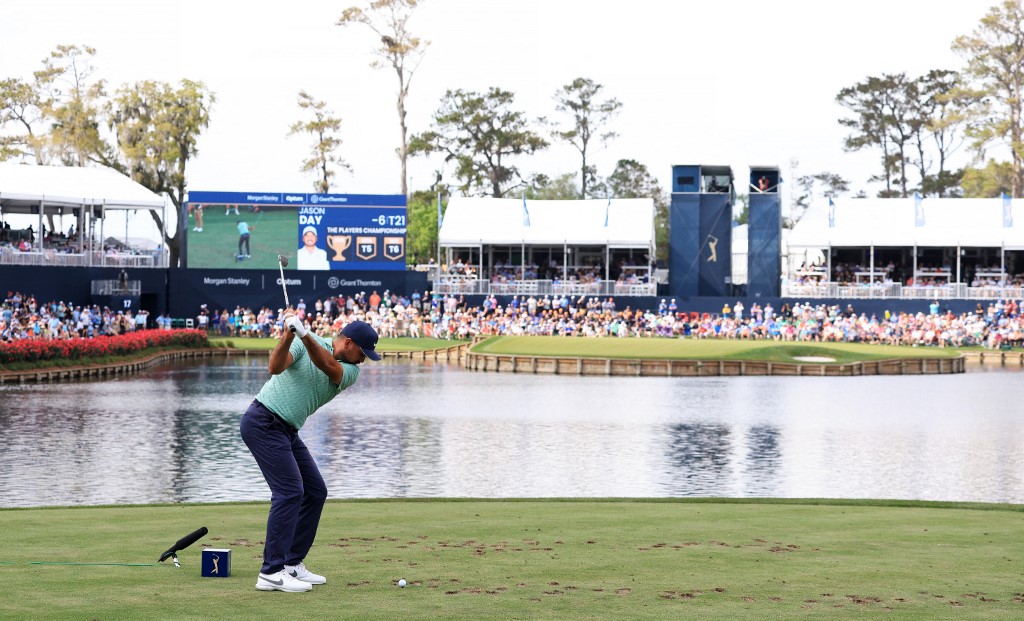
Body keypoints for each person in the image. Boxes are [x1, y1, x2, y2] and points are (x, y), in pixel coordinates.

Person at [239, 317, 381, 593]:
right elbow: (274, 366)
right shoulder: (305, 342)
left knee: (315, 491)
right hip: (263, 421)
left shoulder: (350, 371)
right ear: (348, 343)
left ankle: (291, 564)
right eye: (362, 353)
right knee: (290, 491)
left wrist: (304, 334)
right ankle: (271, 572)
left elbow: (328, 366)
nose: (364, 360)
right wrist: (288, 336)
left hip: (286, 430)